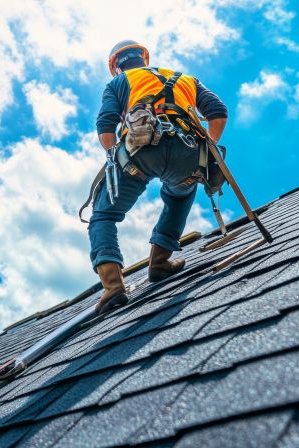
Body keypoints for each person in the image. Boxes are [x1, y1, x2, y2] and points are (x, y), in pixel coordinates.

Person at [89, 40, 228, 314]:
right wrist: (208, 147)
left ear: (117, 66)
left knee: (103, 216)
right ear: (143, 57)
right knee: (180, 194)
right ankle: (160, 262)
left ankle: (113, 286)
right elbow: (218, 112)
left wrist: (113, 156)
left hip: (141, 149)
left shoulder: (119, 83)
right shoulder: (186, 79)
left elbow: (106, 126)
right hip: (188, 151)